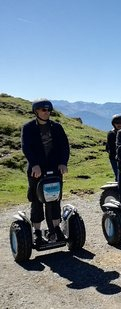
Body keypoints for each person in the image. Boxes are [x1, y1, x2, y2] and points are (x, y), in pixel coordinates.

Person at [21, 98, 70, 245]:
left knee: (55, 198)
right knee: (36, 200)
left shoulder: (56, 127)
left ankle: (56, 228)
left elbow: (64, 146)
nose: (47, 112)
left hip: (55, 168)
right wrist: (34, 164)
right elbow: (26, 147)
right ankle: (37, 231)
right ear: (36, 111)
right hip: (36, 170)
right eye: (43, 110)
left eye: (49, 110)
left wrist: (63, 162)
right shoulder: (28, 127)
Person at [106, 114, 121, 181]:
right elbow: (110, 147)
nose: (119, 124)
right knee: (118, 174)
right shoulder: (111, 134)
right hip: (114, 158)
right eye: (117, 123)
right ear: (113, 124)